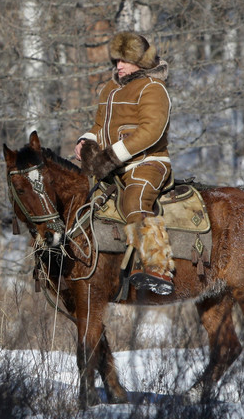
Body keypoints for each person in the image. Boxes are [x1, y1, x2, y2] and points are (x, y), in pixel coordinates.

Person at [75, 32, 175, 295]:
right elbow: (100, 126)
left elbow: (151, 131)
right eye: (117, 60)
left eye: (125, 60)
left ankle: (156, 267)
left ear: (141, 61)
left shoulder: (153, 87)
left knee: (134, 200)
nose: (119, 65)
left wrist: (110, 156)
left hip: (148, 162)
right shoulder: (109, 88)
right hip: (112, 166)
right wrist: (85, 141)